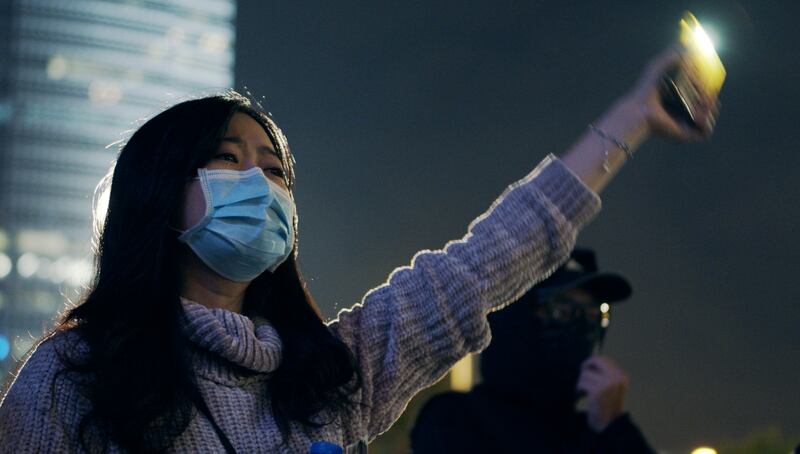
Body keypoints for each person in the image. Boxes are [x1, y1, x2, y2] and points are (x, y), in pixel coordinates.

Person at [0, 47, 716, 452]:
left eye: (275, 172)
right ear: (156, 193)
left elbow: (487, 259)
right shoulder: (74, 375)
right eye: (227, 160)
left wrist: (634, 117)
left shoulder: (330, 374)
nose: (260, 186)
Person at [410, 247, 655, 453]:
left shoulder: (596, 430)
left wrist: (614, 428)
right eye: (562, 311)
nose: (581, 326)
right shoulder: (456, 420)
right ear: (517, 319)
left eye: (593, 313)